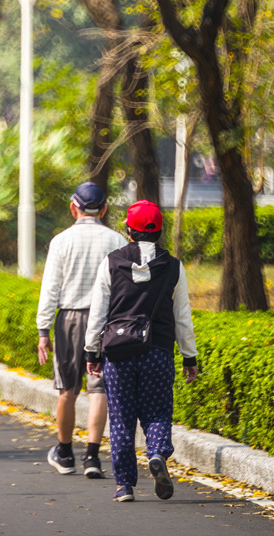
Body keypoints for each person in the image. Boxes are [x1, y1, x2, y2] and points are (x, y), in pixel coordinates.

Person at [84, 199, 198, 503]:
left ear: (128, 230)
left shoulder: (112, 262)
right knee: (158, 411)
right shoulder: (173, 266)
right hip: (158, 351)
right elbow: (182, 316)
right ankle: (157, 452)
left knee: (121, 419)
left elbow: (98, 312)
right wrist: (190, 356)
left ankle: (124, 485)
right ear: (160, 231)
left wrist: (91, 352)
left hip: (118, 354)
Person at [37, 181, 127, 479]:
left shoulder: (61, 241)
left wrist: (43, 330)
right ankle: (92, 456)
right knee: (99, 389)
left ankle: (64, 453)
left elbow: (51, 288)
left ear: (73, 208)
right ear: (103, 209)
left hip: (71, 320)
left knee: (67, 389)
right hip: (108, 320)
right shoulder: (117, 241)